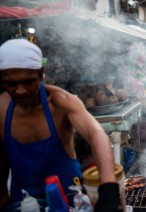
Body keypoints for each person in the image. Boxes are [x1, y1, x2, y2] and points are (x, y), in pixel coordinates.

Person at [0, 39, 122, 211]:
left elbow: (96, 134)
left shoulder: (61, 102)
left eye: (28, 81)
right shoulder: (1, 108)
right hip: (23, 200)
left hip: (71, 197)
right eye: (11, 84)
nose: (20, 90)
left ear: (41, 73)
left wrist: (109, 188)